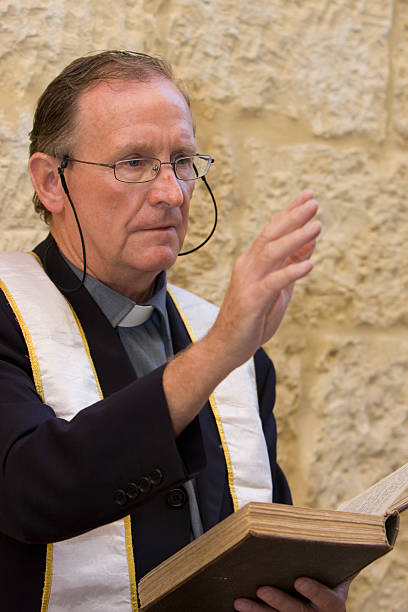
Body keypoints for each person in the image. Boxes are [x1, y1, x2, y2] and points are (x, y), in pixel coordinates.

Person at [0, 51, 350, 611]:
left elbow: (262, 536)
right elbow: (30, 491)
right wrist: (217, 352)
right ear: (51, 182)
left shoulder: (234, 348)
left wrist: (308, 590)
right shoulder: (6, 311)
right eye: (134, 163)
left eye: (182, 160)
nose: (172, 192)